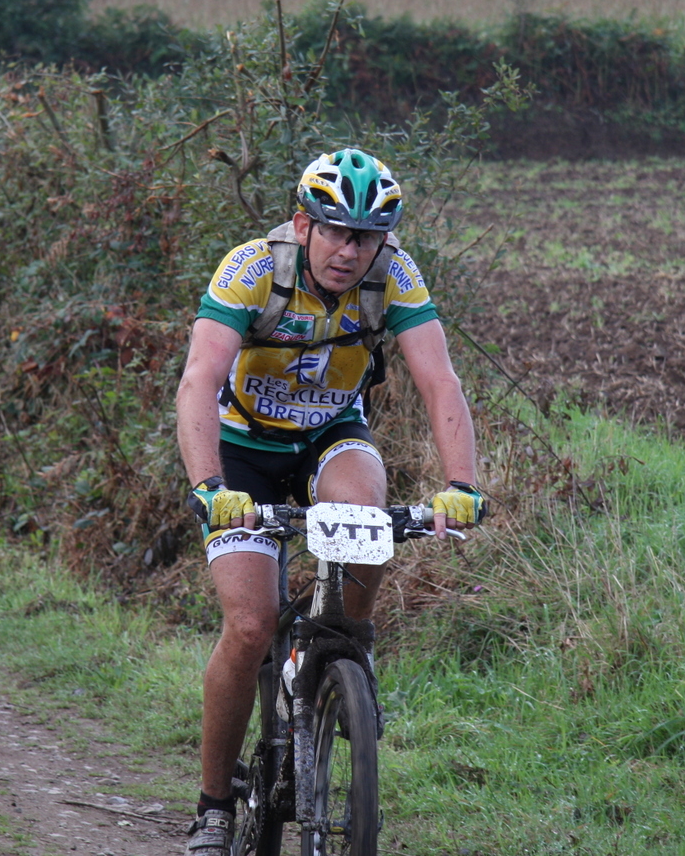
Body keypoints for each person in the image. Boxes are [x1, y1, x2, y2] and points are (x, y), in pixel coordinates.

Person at [175, 147, 485, 854]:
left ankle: (346, 646)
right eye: (337, 231)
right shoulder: (252, 269)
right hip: (242, 449)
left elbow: (440, 381)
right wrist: (210, 487)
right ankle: (214, 806)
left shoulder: (394, 275)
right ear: (302, 225)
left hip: (329, 436)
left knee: (368, 515)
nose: (350, 250)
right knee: (250, 625)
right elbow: (199, 379)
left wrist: (462, 485)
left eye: (367, 236)